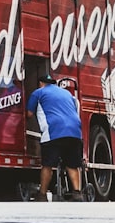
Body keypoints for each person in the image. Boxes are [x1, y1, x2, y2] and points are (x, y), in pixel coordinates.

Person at [26, 72, 83, 201]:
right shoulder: (67, 93)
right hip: (74, 131)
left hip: (54, 132)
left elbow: (29, 114)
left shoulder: (38, 93)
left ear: (41, 84)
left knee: (47, 165)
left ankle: (42, 194)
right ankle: (77, 193)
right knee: (72, 165)